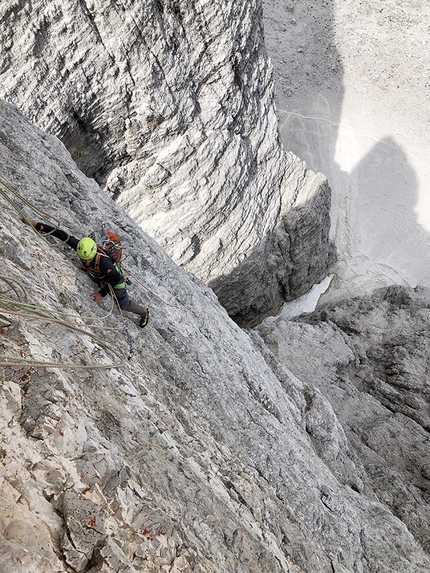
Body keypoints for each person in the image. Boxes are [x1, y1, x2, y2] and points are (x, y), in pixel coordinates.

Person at [25, 220, 149, 327]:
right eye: (83, 259)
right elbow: (62, 235)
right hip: (102, 275)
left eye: (87, 259)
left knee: (124, 305)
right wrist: (37, 225)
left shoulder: (105, 263)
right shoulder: (82, 248)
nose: (85, 261)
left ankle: (144, 313)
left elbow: (115, 278)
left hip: (114, 278)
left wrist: (101, 294)